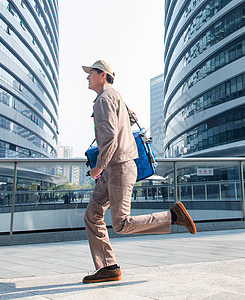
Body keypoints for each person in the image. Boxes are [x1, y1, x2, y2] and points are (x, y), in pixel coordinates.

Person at [81, 60, 196, 284]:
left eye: (90, 73)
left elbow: (110, 138)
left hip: (117, 167)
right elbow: (133, 118)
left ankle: (173, 216)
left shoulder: (104, 99)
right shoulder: (116, 97)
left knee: (121, 224)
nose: (87, 77)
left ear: (102, 75)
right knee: (92, 214)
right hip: (117, 167)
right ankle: (108, 267)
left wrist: (98, 167)